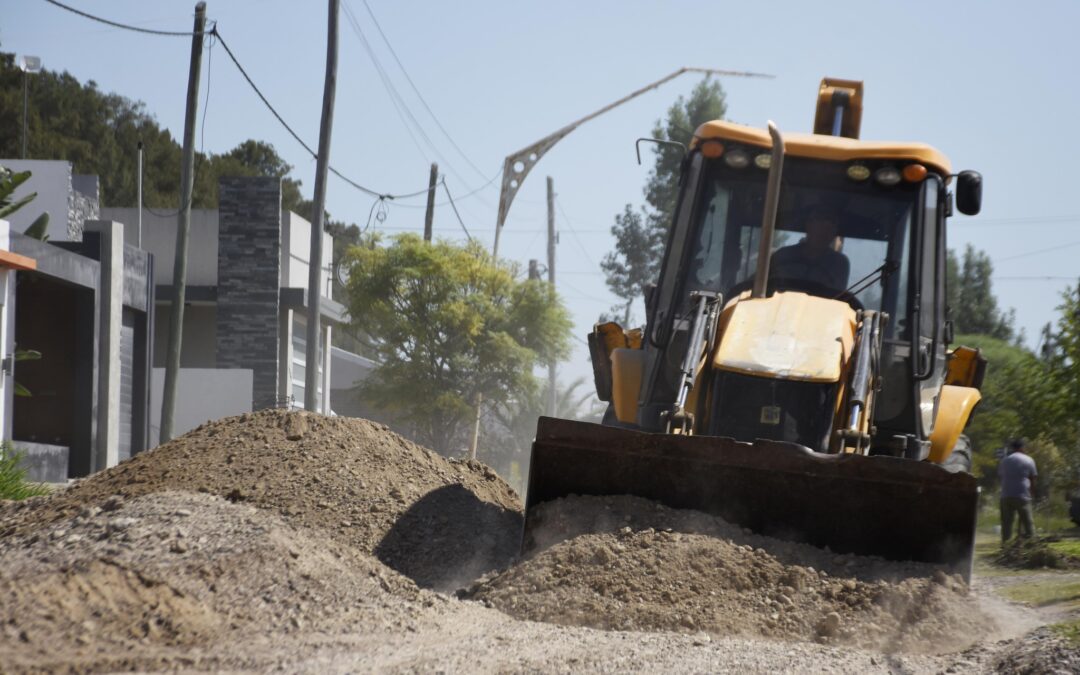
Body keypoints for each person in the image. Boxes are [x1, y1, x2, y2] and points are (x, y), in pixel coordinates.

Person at [770, 208, 851, 292]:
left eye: (832, 224)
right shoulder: (783, 256)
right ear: (808, 225)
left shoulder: (839, 263)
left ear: (835, 232)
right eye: (819, 220)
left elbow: (837, 297)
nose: (825, 227)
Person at [999, 437, 1038, 545]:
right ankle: (1032, 546)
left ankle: (1005, 547)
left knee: (1007, 524)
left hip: (1006, 495)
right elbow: (1032, 479)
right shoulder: (1029, 460)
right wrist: (1033, 494)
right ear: (1022, 447)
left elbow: (1002, 476)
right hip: (1022, 495)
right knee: (1028, 524)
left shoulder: (1005, 460)